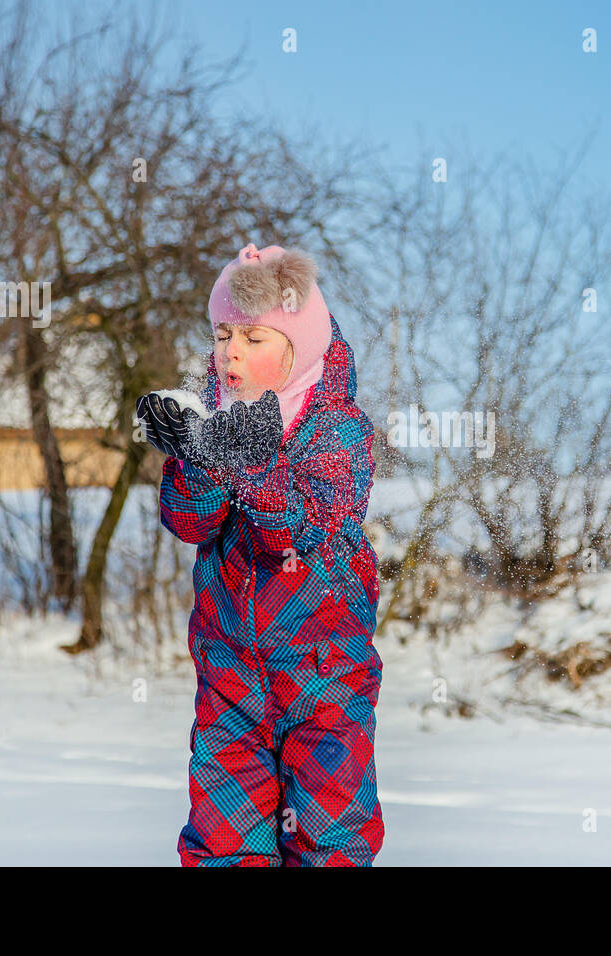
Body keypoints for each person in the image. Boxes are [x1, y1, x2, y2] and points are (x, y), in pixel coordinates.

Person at [136, 242, 384, 866]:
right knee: (224, 840)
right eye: (222, 335)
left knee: (329, 838)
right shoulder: (217, 421)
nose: (231, 353)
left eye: (253, 335)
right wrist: (202, 455)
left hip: (323, 685)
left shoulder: (336, 427)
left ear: (298, 347)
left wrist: (253, 464)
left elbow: (308, 528)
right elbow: (187, 521)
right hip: (229, 681)